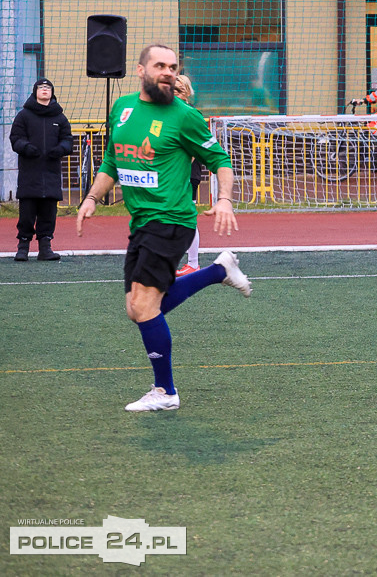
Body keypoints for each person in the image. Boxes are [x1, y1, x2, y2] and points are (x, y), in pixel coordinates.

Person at [77, 43, 253, 412]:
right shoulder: (122, 108)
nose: (168, 72)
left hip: (172, 220)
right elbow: (112, 158)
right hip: (141, 222)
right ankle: (219, 270)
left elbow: (220, 159)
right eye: (160, 65)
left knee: (144, 306)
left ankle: (165, 392)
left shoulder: (184, 116)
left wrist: (224, 199)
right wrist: (92, 197)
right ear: (140, 70)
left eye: (173, 66)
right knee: (136, 308)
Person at [9, 78, 72, 261]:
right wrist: (26, 147)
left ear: (52, 92)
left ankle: (45, 248)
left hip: (51, 174)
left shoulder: (60, 117)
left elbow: (68, 140)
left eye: (48, 88)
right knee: (27, 213)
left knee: (48, 213)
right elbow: (15, 138)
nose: (44, 90)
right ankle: (23, 247)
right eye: (41, 87)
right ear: (35, 91)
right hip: (30, 174)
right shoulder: (24, 116)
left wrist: (61, 149)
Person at [172, 74, 203, 276]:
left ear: (187, 91)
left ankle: (193, 262)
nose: (175, 91)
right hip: (170, 174)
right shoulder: (167, 113)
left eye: (179, 88)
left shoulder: (191, 114)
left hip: (186, 174)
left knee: (186, 217)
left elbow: (194, 147)